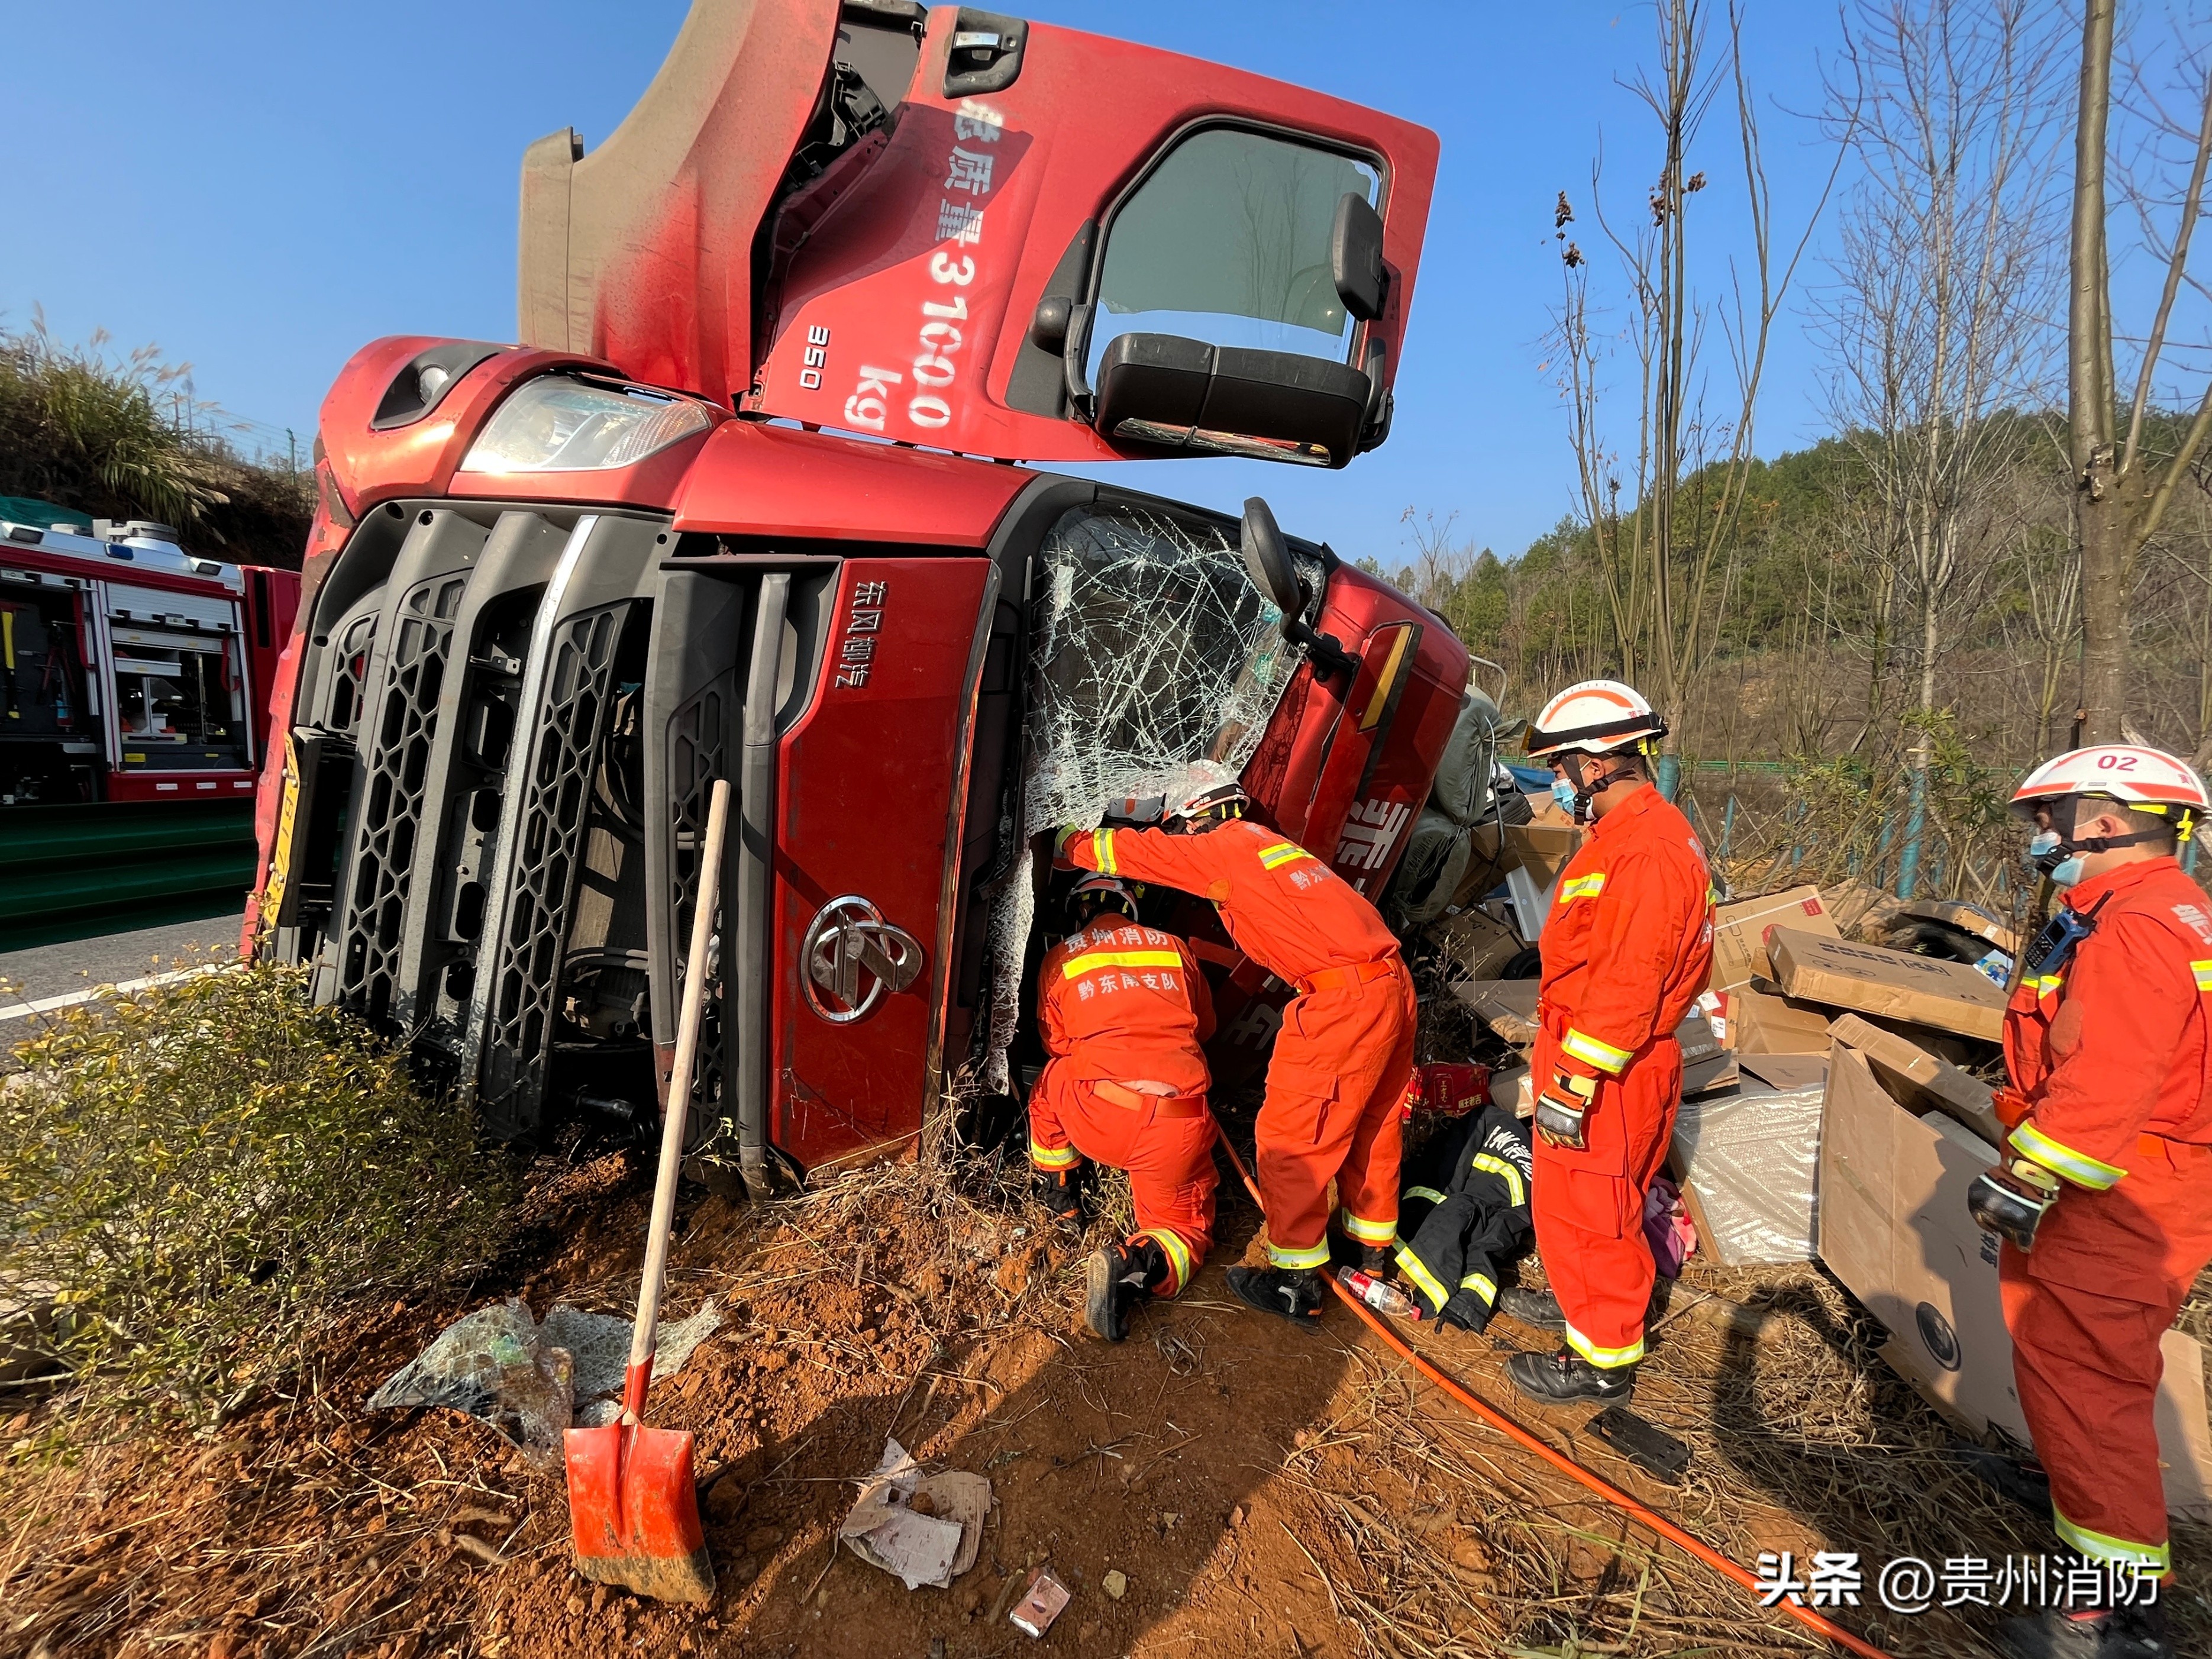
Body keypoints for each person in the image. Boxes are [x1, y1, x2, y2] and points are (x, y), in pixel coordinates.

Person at [1977, 744, 2212, 1659]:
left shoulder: (2136, 927)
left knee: (2086, 1378)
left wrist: (2026, 1175)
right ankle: (2078, 1496)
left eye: (2048, 817)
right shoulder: (2158, 909)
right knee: (2079, 1366)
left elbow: (2106, 1077)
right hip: (2139, 1173)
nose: (2039, 834)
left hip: (2118, 1183)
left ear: (2104, 821)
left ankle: (2113, 1613)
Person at [1056, 776, 1415, 1325]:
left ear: (1193, 817)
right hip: (1390, 982)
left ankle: (1295, 1284)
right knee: (1374, 1122)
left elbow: (1132, 853)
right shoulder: (1270, 844)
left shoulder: (1223, 848)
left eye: (1180, 828)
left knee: (1292, 1137)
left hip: (1339, 999)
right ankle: (1368, 1254)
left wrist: (1062, 839)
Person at [1497, 680, 1713, 1405]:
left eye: (1559, 768)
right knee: (1572, 1201)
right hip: (1594, 1051)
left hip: (1609, 1065)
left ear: (1595, 764)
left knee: (1595, 1210)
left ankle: (1600, 1362)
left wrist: (1575, 1078)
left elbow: (1628, 981)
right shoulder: (1626, 837)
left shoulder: (1647, 851)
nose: (1556, 783)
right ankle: (1579, 1301)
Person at [1029, 872, 1220, 1342]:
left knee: (1053, 1077)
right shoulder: (1174, 948)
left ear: (1079, 912)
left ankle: (1062, 1198)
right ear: (1132, 908)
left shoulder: (1060, 958)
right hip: (1174, 1127)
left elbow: (1056, 1044)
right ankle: (1132, 1262)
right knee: (1181, 1231)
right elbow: (1206, 1028)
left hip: (1099, 1114)